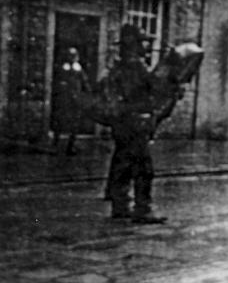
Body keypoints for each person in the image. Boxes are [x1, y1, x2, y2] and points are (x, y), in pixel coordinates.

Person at [100, 24, 167, 224]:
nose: (144, 47)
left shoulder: (119, 67)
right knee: (143, 167)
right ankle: (142, 209)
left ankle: (120, 206)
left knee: (123, 164)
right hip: (134, 123)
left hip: (121, 123)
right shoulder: (135, 67)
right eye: (141, 43)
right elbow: (144, 93)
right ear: (134, 45)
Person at [51, 47, 90, 155]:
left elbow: (84, 82)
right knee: (60, 121)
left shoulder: (79, 69)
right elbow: (58, 81)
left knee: (75, 123)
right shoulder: (63, 69)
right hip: (64, 98)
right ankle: (56, 144)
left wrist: (86, 93)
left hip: (75, 98)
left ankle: (70, 145)